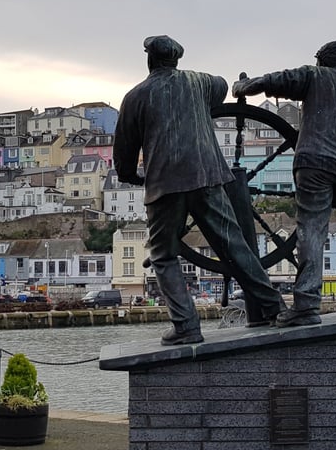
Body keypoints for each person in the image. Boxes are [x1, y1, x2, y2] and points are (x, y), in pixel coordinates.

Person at [113, 35, 286, 345]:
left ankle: (186, 325)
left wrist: (133, 176)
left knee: (163, 255)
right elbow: (221, 86)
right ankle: (275, 307)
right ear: (177, 59)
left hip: (165, 184)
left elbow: (124, 155)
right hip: (207, 175)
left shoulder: (135, 97)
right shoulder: (200, 83)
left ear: (149, 59)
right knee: (235, 247)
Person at [232, 40, 336, 327]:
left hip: (315, 163)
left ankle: (306, 305)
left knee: (312, 229)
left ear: (321, 60)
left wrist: (244, 87)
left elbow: (277, 80)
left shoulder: (315, 76)